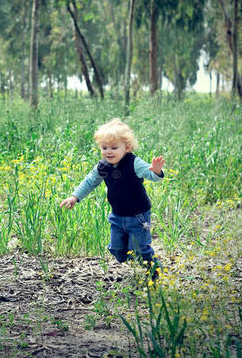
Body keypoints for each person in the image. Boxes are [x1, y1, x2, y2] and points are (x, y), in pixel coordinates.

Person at [59, 118, 165, 278]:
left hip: (139, 216)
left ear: (127, 148)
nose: (108, 151)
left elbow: (153, 176)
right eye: (104, 147)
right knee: (117, 250)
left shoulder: (134, 163)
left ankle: (154, 269)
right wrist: (75, 197)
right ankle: (133, 259)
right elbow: (89, 182)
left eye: (114, 148)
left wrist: (156, 171)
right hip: (117, 216)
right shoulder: (102, 166)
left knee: (139, 249)